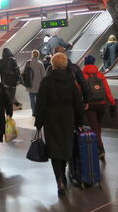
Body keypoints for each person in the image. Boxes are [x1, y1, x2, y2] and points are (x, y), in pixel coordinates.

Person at [34, 53, 84, 196]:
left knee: (54, 148)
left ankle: (60, 180)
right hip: (68, 117)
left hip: (51, 118)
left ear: (53, 64)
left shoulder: (47, 81)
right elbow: (78, 104)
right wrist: (79, 121)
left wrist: (39, 122)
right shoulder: (71, 81)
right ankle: (64, 176)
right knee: (66, 145)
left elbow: (41, 104)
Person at [82, 55, 116, 160]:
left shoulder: (82, 75)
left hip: (90, 105)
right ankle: (98, 142)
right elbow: (107, 90)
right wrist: (112, 103)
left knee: (95, 127)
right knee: (97, 126)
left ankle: (101, 149)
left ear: (85, 63)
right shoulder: (100, 74)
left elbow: (79, 90)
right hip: (102, 104)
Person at [25, 50, 45, 116]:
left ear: (32, 55)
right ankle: (39, 111)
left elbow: (24, 73)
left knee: (32, 99)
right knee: (38, 99)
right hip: (38, 85)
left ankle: (34, 112)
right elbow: (43, 75)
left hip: (30, 84)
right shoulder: (40, 63)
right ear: (38, 55)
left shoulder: (28, 63)